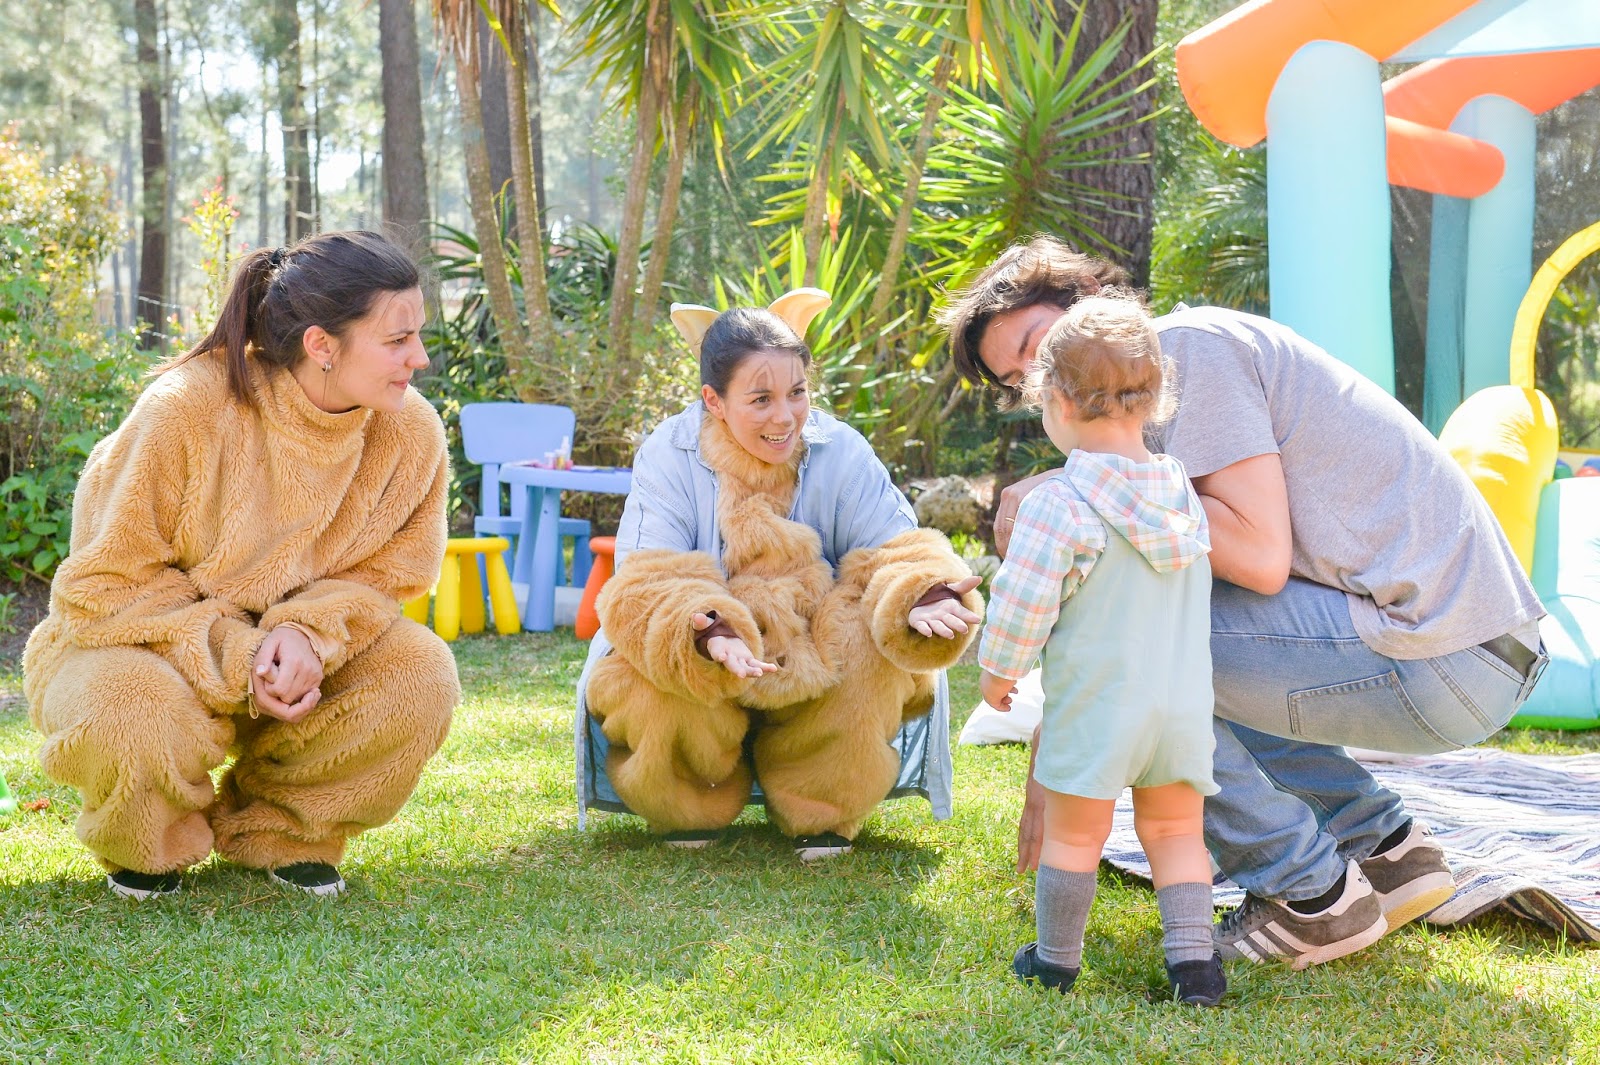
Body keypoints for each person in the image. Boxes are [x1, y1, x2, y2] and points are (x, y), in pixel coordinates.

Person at [940, 236, 1547, 968]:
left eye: (1036, 349)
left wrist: (1071, 493)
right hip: (1462, 647)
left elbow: (1258, 557)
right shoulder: (1154, 405)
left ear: (1089, 305)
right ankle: (1385, 850)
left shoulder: (1188, 349)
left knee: (1145, 653)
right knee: (1159, 625)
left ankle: (1310, 894)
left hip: (1446, 648)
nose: (1040, 383)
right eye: (1020, 381)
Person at [23, 231, 460, 900]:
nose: (420, 357)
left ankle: (282, 830)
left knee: (421, 672)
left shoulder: (411, 432)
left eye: (418, 334)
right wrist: (244, 652)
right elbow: (105, 588)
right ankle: (150, 837)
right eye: (397, 339)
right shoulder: (186, 408)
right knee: (129, 708)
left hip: (298, 668)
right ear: (321, 345)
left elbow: (387, 575)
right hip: (131, 646)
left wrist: (307, 632)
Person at [575, 292, 983, 859]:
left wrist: (920, 592)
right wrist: (707, 631)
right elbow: (645, 577)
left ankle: (823, 804)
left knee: (871, 653)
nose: (785, 416)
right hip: (711, 656)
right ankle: (689, 800)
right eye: (761, 399)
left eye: (797, 393)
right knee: (654, 665)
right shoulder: (668, 452)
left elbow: (896, 547)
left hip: (818, 652)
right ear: (714, 401)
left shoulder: (842, 448)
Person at [979, 293, 1226, 1006]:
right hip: (1181, 706)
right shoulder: (1181, 494)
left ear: (1056, 400)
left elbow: (1023, 603)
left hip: (1098, 705)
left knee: (1075, 836)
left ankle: (1054, 961)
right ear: (1153, 398)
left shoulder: (1059, 503)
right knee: (1176, 831)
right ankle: (1195, 968)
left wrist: (998, 673)